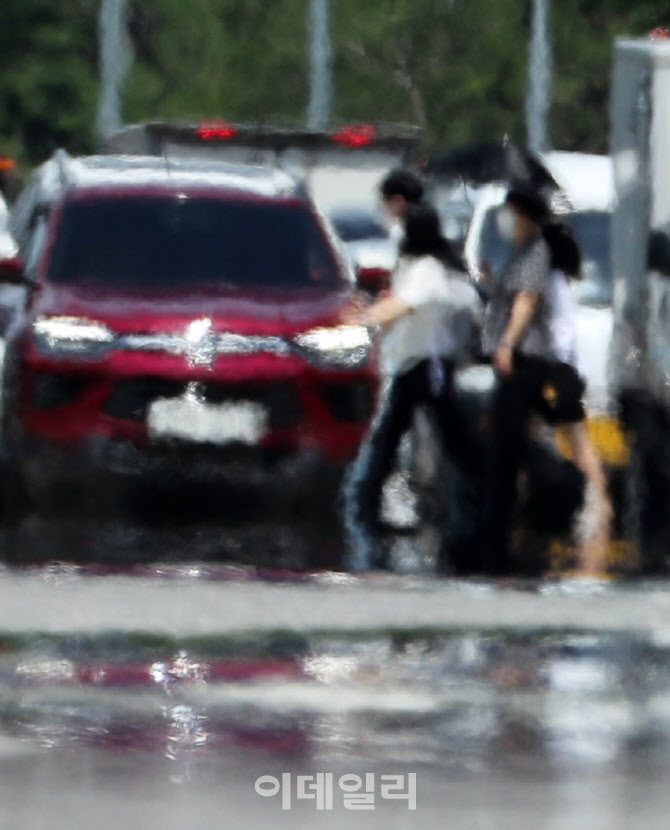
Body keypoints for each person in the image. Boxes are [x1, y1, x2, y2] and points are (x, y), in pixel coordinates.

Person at [343, 203, 483, 570]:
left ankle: (368, 498)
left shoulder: (427, 269)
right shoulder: (421, 267)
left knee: (443, 434)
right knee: (399, 432)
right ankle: (369, 496)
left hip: (429, 364)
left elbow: (401, 307)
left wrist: (363, 321)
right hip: (415, 364)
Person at [480, 185, 555, 572]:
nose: (505, 220)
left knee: (509, 444)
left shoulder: (536, 252)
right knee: (507, 443)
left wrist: (507, 344)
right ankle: (505, 518)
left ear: (523, 213)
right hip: (516, 358)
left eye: (510, 212)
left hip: (524, 359)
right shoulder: (521, 252)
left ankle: (531, 509)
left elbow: (527, 301)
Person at [539, 222, 613, 576]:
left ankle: (600, 498)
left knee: (573, 437)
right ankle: (600, 496)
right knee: (574, 437)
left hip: (558, 371)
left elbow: (557, 335)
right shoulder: (561, 281)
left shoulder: (550, 283)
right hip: (567, 371)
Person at [379, 168, 426, 244]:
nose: (382, 207)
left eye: (384, 200)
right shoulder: (435, 230)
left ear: (398, 201)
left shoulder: (397, 237)